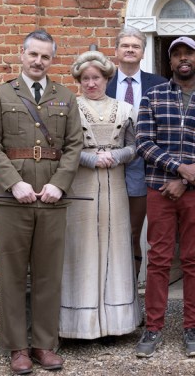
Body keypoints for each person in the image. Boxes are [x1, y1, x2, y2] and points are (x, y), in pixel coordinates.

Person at [0, 29, 82, 374]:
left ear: (53, 59)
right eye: (33, 54)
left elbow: (73, 147)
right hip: (12, 199)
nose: (39, 61)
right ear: (21, 54)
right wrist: (14, 184)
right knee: (12, 274)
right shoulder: (0, 95)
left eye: (46, 56)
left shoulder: (66, 97)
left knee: (48, 274)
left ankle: (43, 344)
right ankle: (16, 347)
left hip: (52, 198)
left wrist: (59, 184)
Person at [134, 36, 195, 358]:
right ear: (170, 61)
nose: (183, 59)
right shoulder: (153, 97)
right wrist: (178, 169)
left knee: (193, 259)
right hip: (159, 189)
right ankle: (153, 328)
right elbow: (144, 143)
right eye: (177, 55)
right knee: (159, 259)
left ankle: (192, 327)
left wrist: (187, 181)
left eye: (189, 54)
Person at [59, 51, 141, 340]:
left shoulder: (125, 109)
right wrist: (90, 159)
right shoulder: (70, 107)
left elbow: (135, 146)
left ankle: (115, 323)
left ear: (107, 78)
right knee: (81, 247)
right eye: (85, 79)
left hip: (115, 187)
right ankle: (80, 325)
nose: (91, 83)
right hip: (80, 187)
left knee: (116, 246)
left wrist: (116, 156)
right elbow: (62, 149)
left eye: (96, 78)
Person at [106, 27, 167, 280]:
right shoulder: (102, 83)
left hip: (148, 167)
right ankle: (112, 289)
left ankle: (132, 287)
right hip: (110, 165)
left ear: (143, 52)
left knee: (136, 230)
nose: (130, 50)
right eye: (125, 45)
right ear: (117, 51)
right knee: (111, 231)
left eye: (136, 46)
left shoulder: (160, 85)